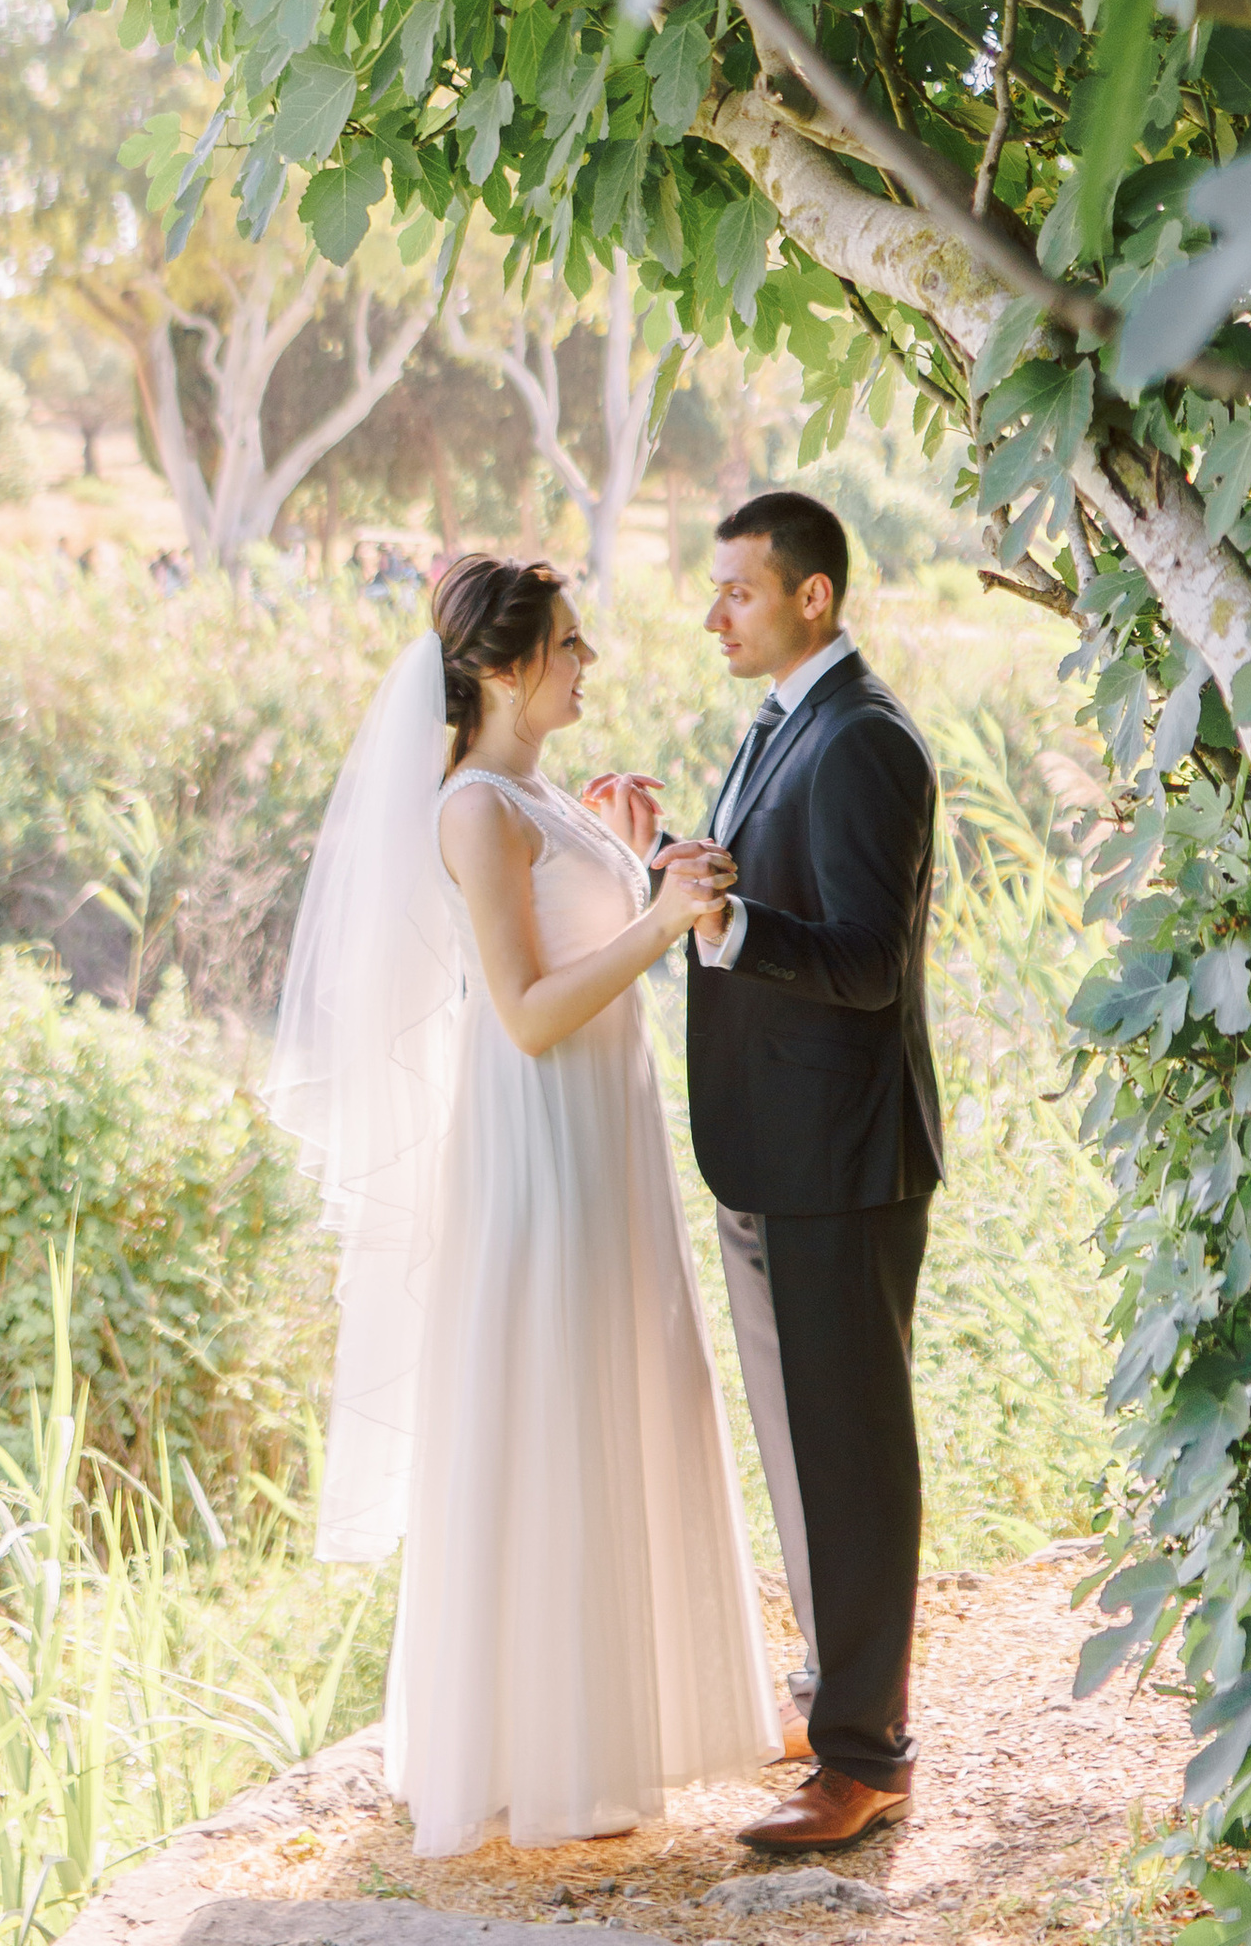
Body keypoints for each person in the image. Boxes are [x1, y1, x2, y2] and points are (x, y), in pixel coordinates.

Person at [267, 553, 779, 1858]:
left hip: (604, 1141)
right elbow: (531, 1012)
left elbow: (579, 924)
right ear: (501, 668)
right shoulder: (472, 809)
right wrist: (663, 916)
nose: (588, 658)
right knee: (555, 1402)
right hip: (540, 1141)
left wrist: (619, 844)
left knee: (613, 1389)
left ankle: (612, 1728)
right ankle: (540, 1752)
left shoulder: (539, 795)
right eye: (567, 642)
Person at [627, 492, 942, 1859]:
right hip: (780, 1149)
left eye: (738, 593)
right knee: (811, 1456)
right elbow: (763, 902)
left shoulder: (865, 740)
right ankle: (849, 1711)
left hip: (843, 1160)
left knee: (851, 1459)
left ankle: (862, 1762)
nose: (715, 617)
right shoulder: (785, 723)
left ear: (813, 597)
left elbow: (871, 961)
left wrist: (733, 922)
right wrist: (671, 866)